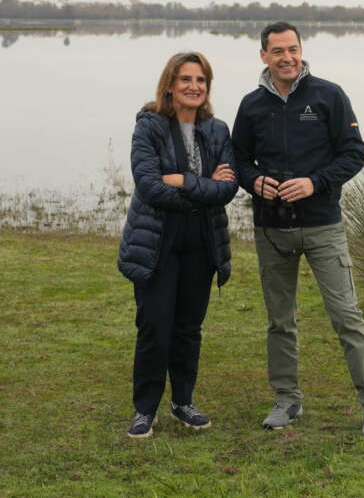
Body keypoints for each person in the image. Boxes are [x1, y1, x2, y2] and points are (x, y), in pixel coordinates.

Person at [231, 21, 364, 438]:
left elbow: (354, 154)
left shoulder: (328, 95)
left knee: (346, 316)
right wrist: (254, 181)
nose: (287, 58)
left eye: (293, 49)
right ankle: (287, 399)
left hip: (322, 227)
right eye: (278, 51)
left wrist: (314, 182)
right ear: (263, 56)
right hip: (271, 230)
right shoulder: (250, 106)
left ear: (302, 51)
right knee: (280, 321)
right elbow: (239, 160)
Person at [117, 51, 238, 439]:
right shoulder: (149, 127)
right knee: (155, 325)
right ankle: (145, 409)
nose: (194, 86)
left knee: (188, 327)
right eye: (186, 79)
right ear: (170, 84)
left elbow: (229, 187)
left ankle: (183, 402)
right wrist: (204, 188)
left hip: (201, 241)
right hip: (157, 241)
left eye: (201, 80)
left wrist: (183, 181)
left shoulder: (217, 130)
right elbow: (150, 186)